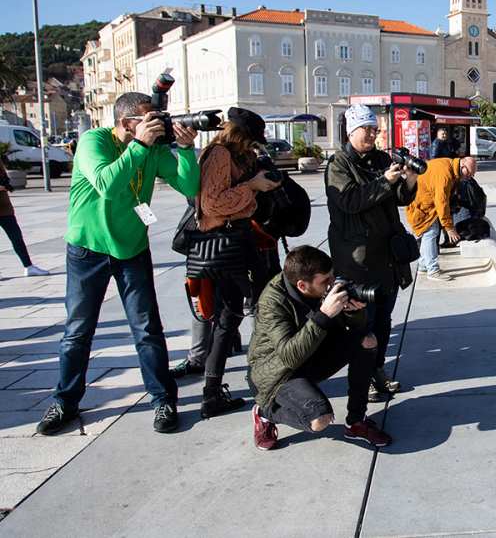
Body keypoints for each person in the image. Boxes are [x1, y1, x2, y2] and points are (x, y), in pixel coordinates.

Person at [36, 92, 200, 436]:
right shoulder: (93, 141)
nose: (159, 124)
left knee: (147, 329)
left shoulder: (153, 149)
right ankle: (65, 402)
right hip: (88, 249)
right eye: (150, 119)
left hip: (132, 248)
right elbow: (107, 185)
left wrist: (186, 150)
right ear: (128, 123)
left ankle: (163, 399)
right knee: (78, 331)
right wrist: (139, 145)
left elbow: (189, 185)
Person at [170, 108, 281, 418]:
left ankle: (213, 391)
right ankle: (214, 392)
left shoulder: (234, 155)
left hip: (237, 241)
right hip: (225, 244)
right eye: (252, 141)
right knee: (230, 316)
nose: (254, 146)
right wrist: (252, 187)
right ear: (241, 136)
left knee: (230, 317)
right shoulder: (219, 154)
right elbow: (212, 203)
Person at [248, 246, 391, 449]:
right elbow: (290, 357)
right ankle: (264, 412)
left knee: (366, 341)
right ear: (302, 285)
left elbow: (354, 328)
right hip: (278, 373)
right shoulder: (272, 302)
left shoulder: (322, 286)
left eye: (332, 276)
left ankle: (356, 422)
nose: (332, 283)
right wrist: (324, 314)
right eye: (325, 281)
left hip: (311, 353)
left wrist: (353, 313)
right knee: (320, 419)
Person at [327, 104, 417, 401]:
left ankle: (377, 370)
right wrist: (384, 181)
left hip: (387, 256)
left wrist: (409, 180)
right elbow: (350, 201)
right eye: (366, 129)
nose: (372, 135)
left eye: (375, 129)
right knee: (361, 323)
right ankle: (362, 378)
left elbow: (399, 198)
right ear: (351, 131)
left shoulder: (381, 159)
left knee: (383, 320)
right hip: (358, 259)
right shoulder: (339, 164)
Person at [406, 156, 477, 281]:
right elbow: (441, 202)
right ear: (463, 167)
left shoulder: (448, 165)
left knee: (428, 235)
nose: (469, 177)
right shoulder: (445, 175)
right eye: (469, 174)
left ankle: (423, 265)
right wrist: (449, 227)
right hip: (423, 208)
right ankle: (432, 270)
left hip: (423, 205)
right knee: (430, 234)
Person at [0, 157, 50, 278]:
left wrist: (5, 184)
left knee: (17, 238)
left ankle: (28, 267)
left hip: (5, 210)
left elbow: (5, 179)